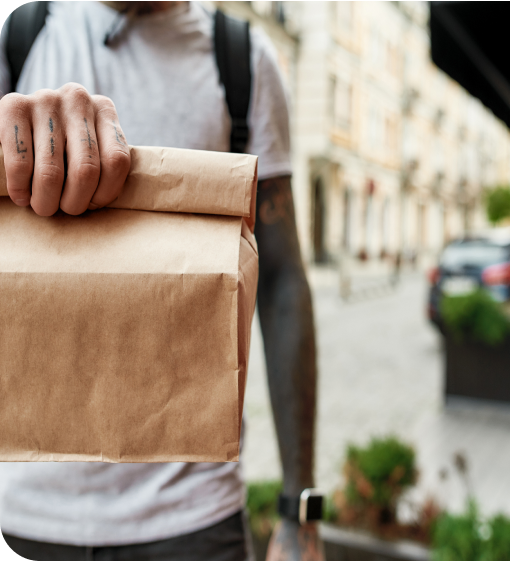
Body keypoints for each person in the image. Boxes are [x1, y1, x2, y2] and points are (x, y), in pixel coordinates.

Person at [0, 2, 323, 560]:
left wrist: (300, 513)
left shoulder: (242, 59)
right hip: (17, 508)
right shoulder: (17, 35)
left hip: (193, 516)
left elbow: (282, 282)